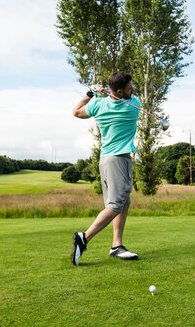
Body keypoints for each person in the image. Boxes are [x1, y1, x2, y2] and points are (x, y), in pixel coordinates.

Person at [71, 71, 140, 266]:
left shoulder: (98, 104)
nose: (132, 89)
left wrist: (91, 93)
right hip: (119, 159)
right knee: (115, 205)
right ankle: (84, 237)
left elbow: (77, 111)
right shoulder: (134, 106)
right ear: (119, 91)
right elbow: (129, 98)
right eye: (129, 88)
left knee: (124, 202)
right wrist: (110, 95)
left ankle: (116, 246)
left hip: (105, 159)